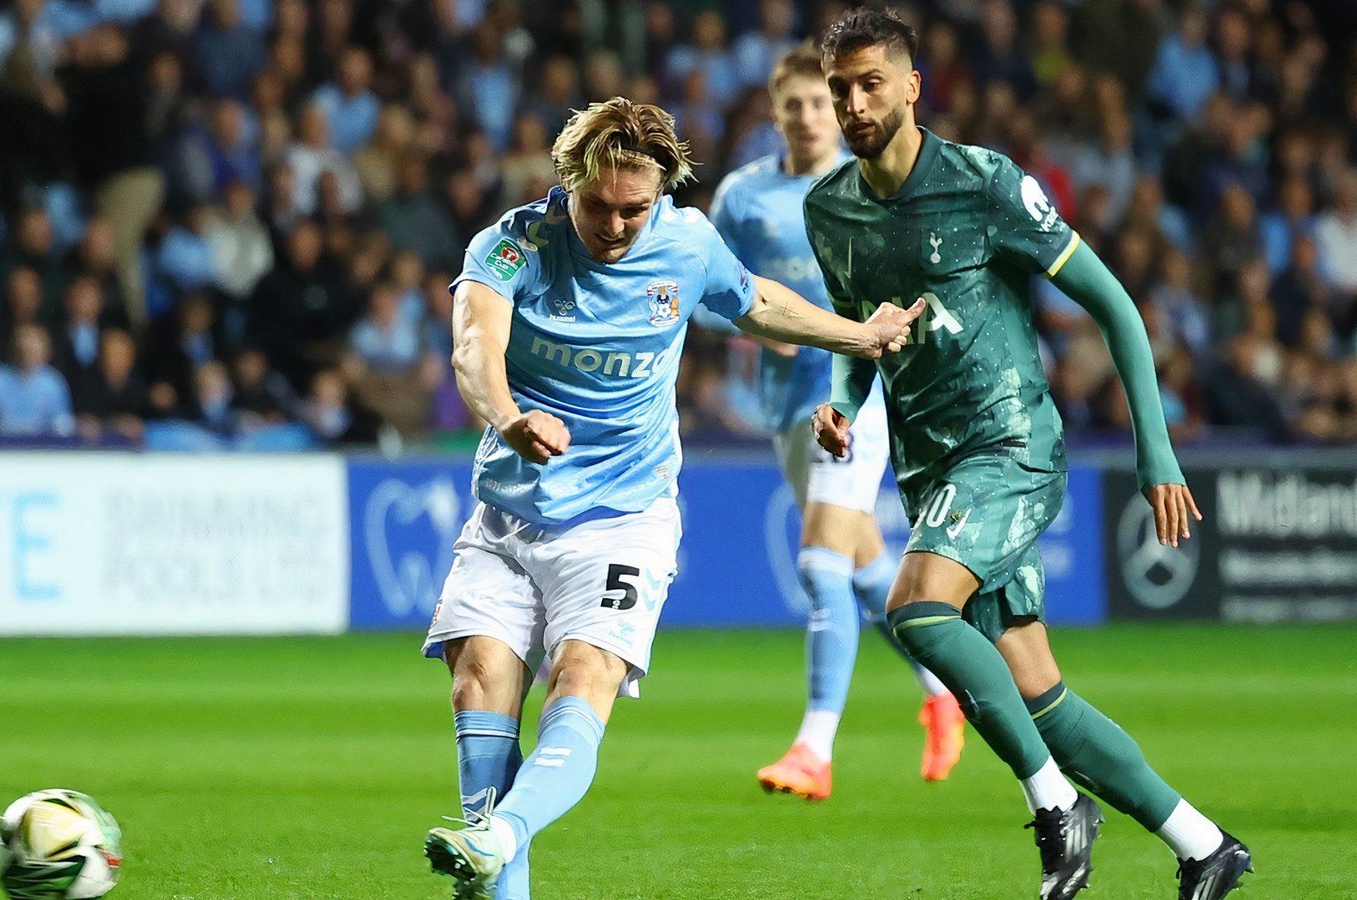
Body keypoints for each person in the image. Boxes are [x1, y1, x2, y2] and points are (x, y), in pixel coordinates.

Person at [421, 96, 924, 900]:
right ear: (567, 180)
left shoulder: (685, 245)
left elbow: (756, 300)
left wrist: (860, 334)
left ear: (662, 192)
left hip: (625, 518)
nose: (618, 227)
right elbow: (474, 345)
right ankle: (496, 859)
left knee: (581, 677)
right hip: (510, 512)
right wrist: (509, 418)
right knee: (477, 681)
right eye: (600, 205)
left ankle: (501, 834)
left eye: (636, 208)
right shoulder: (515, 245)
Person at [805, 11, 1249, 900]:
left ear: (911, 84)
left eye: (870, 84)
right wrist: (843, 404)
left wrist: (1154, 451)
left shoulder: (985, 183)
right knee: (1035, 688)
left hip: (1007, 442)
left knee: (917, 612)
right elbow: (863, 336)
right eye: (840, 89)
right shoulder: (833, 211)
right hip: (931, 466)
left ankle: (1055, 806)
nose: (854, 104)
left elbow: (1117, 306)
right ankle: (1203, 844)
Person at [710, 46, 965, 802]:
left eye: (821, 103)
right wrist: (756, 328)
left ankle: (814, 748)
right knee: (862, 568)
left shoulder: (866, 184)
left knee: (819, 561)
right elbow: (699, 293)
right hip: (785, 404)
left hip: (857, 395)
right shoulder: (744, 196)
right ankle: (945, 686)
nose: (811, 115)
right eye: (795, 104)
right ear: (776, 110)